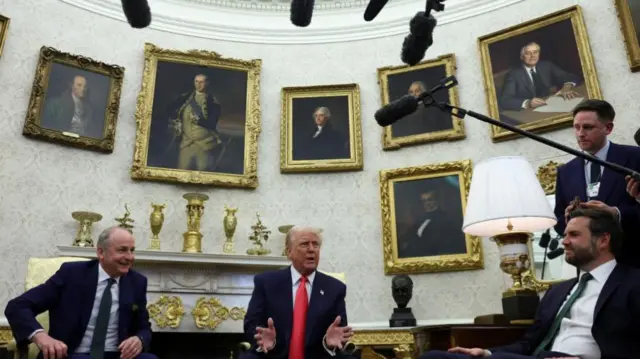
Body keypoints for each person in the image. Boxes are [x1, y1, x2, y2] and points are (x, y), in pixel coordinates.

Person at [419, 208, 640, 359]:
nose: (564, 241)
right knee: (435, 356)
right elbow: (528, 344)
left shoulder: (632, 283)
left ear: (603, 240)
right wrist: (486, 352)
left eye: (574, 234)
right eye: (565, 234)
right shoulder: (558, 291)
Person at [4, 227, 156, 359]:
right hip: (71, 354)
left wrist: (139, 339)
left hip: (117, 355)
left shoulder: (137, 282)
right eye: (122, 250)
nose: (129, 257)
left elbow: (144, 327)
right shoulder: (71, 274)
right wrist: (41, 337)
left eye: (132, 250)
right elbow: (18, 306)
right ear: (101, 252)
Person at [241, 226, 354, 359]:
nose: (311, 249)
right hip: (274, 354)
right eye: (305, 244)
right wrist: (267, 341)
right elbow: (251, 323)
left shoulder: (335, 288)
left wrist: (328, 344)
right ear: (289, 252)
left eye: (316, 245)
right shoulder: (266, 282)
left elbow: (339, 331)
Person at [553, 99, 640, 267]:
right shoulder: (566, 172)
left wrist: (616, 213)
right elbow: (559, 221)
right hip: (591, 267)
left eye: (587, 127)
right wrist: (570, 218)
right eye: (576, 127)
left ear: (608, 128)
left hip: (633, 261)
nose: (580, 133)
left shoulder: (635, 157)